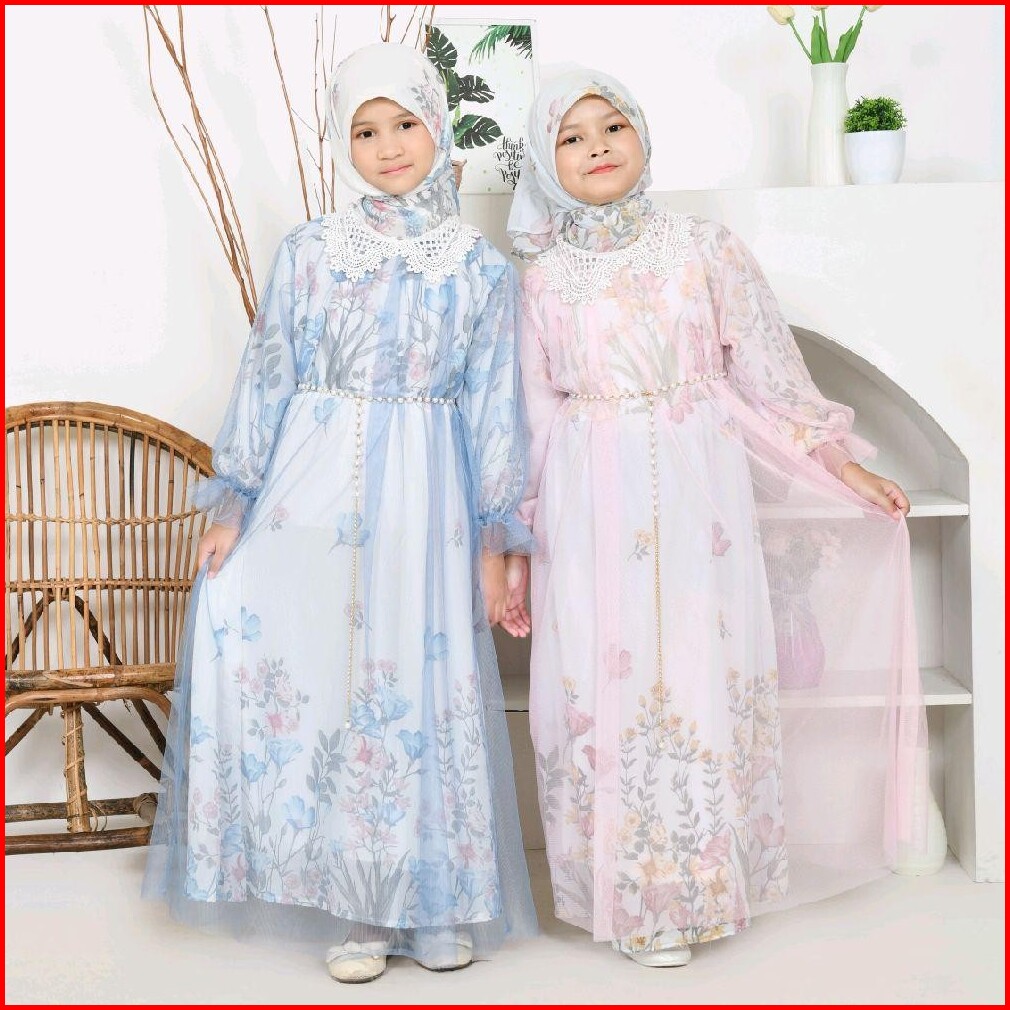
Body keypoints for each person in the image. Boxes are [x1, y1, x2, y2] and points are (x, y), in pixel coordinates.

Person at [505, 69, 927, 967]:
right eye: (571, 137)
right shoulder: (541, 281)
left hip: (702, 500)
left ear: (642, 135)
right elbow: (531, 421)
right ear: (546, 163)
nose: (596, 146)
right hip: (589, 502)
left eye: (612, 125)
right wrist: (515, 540)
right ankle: (637, 895)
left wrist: (841, 463)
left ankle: (704, 882)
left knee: (699, 670)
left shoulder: (705, 248)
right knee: (605, 683)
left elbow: (770, 374)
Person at [143, 43, 537, 984]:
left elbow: (496, 407)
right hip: (316, 482)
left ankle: (432, 902)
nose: (388, 145)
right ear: (341, 143)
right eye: (364, 130)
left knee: (419, 687)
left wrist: (496, 540)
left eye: (405, 122)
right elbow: (269, 370)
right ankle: (356, 907)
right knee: (334, 679)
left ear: (438, 127)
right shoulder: (312, 252)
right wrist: (234, 501)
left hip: (430, 497)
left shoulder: (481, 270)